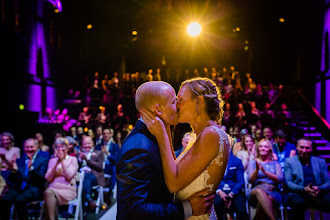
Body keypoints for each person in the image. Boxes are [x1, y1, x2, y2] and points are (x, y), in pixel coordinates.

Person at [117, 80, 217, 220]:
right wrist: (187, 209)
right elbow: (132, 211)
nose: (178, 105)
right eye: (173, 101)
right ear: (158, 109)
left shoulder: (156, 137)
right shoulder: (138, 147)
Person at [140, 77, 231, 219]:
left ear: (199, 102)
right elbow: (174, 169)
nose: (176, 105)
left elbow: (173, 184)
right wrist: (166, 125)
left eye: (180, 99)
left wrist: (162, 135)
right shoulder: (198, 136)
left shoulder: (211, 134)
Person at [0, 138, 49, 220]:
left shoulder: (43, 160)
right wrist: (14, 171)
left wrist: (31, 169)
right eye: (27, 147)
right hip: (20, 188)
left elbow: (41, 178)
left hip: (34, 189)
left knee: (20, 200)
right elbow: (14, 181)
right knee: (5, 199)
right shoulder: (20, 160)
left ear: (37, 147)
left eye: (31, 147)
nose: (29, 149)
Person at [284, 138, 330, 219]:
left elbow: (328, 182)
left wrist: (319, 188)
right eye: (301, 147)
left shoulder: (320, 162)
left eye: (307, 148)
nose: (304, 151)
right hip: (298, 192)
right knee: (298, 203)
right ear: (297, 147)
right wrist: (304, 189)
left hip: (317, 193)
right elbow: (288, 182)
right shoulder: (289, 161)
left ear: (311, 149)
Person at [246, 139, 283, 220]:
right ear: (258, 148)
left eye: (266, 146)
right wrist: (256, 170)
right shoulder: (253, 163)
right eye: (261, 146)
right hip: (255, 191)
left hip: (272, 192)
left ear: (269, 149)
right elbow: (250, 180)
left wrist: (266, 172)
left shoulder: (275, 163)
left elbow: (280, 179)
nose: (263, 148)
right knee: (259, 191)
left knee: (265, 201)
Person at [44, 138, 78, 220]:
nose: (60, 149)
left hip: (67, 190)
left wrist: (62, 161)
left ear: (67, 148)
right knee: (49, 193)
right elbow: (48, 178)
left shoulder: (73, 159)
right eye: (57, 147)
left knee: (48, 193)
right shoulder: (52, 161)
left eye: (62, 147)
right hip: (53, 189)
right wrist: (56, 163)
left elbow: (69, 175)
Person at [214, 152, 249, 220]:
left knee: (241, 210)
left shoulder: (237, 161)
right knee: (216, 205)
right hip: (219, 190)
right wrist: (219, 191)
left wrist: (232, 194)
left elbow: (240, 181)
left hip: (234, 190)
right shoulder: (213, 161)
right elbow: (212, 179)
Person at [78, 136, 105, 211]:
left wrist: (87, 160)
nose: (87, 145)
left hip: (94, 176)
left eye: (88, 143)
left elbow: (99, 167)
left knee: (86, 176)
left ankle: (88, 199)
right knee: (82, 177)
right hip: (79, 177)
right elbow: (76, 166)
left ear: (93, 143)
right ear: (82, 145)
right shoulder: (79, 153)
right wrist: (80, 159)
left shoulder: (99, 153)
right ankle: (87, 202)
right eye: (85, 144)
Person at [96, 128, 119, 192]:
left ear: (110, 135)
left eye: (107, 133)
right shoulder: (98, 146)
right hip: (100, 166)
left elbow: (117, 159)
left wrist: (107, 153)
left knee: (115, 169)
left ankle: (111, 191)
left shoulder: (115, 146)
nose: (106, 135)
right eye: (104, 133)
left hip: (110, 166)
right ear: (102, 135)